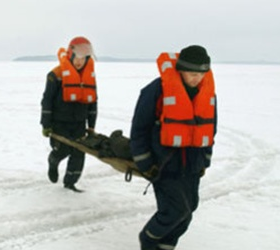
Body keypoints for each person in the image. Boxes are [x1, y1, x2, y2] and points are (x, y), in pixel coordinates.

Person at [130, 45, 217, 250]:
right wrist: (144, 162)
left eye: (201, 74)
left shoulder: (207, 93)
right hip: (164, 164)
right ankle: (149, 239)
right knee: (174, 211)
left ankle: (166, 246)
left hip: (192, 164)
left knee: (188, 212)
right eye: (192, 73)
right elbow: (139, 129)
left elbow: (211, 129)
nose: (197, 78)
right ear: (181, 70)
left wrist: (204, 160)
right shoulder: (156, 90)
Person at [40, 36, 98, 192]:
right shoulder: (55, 75)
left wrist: (91, 125)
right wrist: (45, 124)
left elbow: (93, 103)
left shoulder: (89, 77)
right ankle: (53, 161)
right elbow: (47, 101)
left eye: (84, 58)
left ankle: (70, 183)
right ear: (70, 55)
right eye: (77, 57)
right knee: (63, 150)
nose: (80, 62)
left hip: (79, 123)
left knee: (79, 153)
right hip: (59, 123)